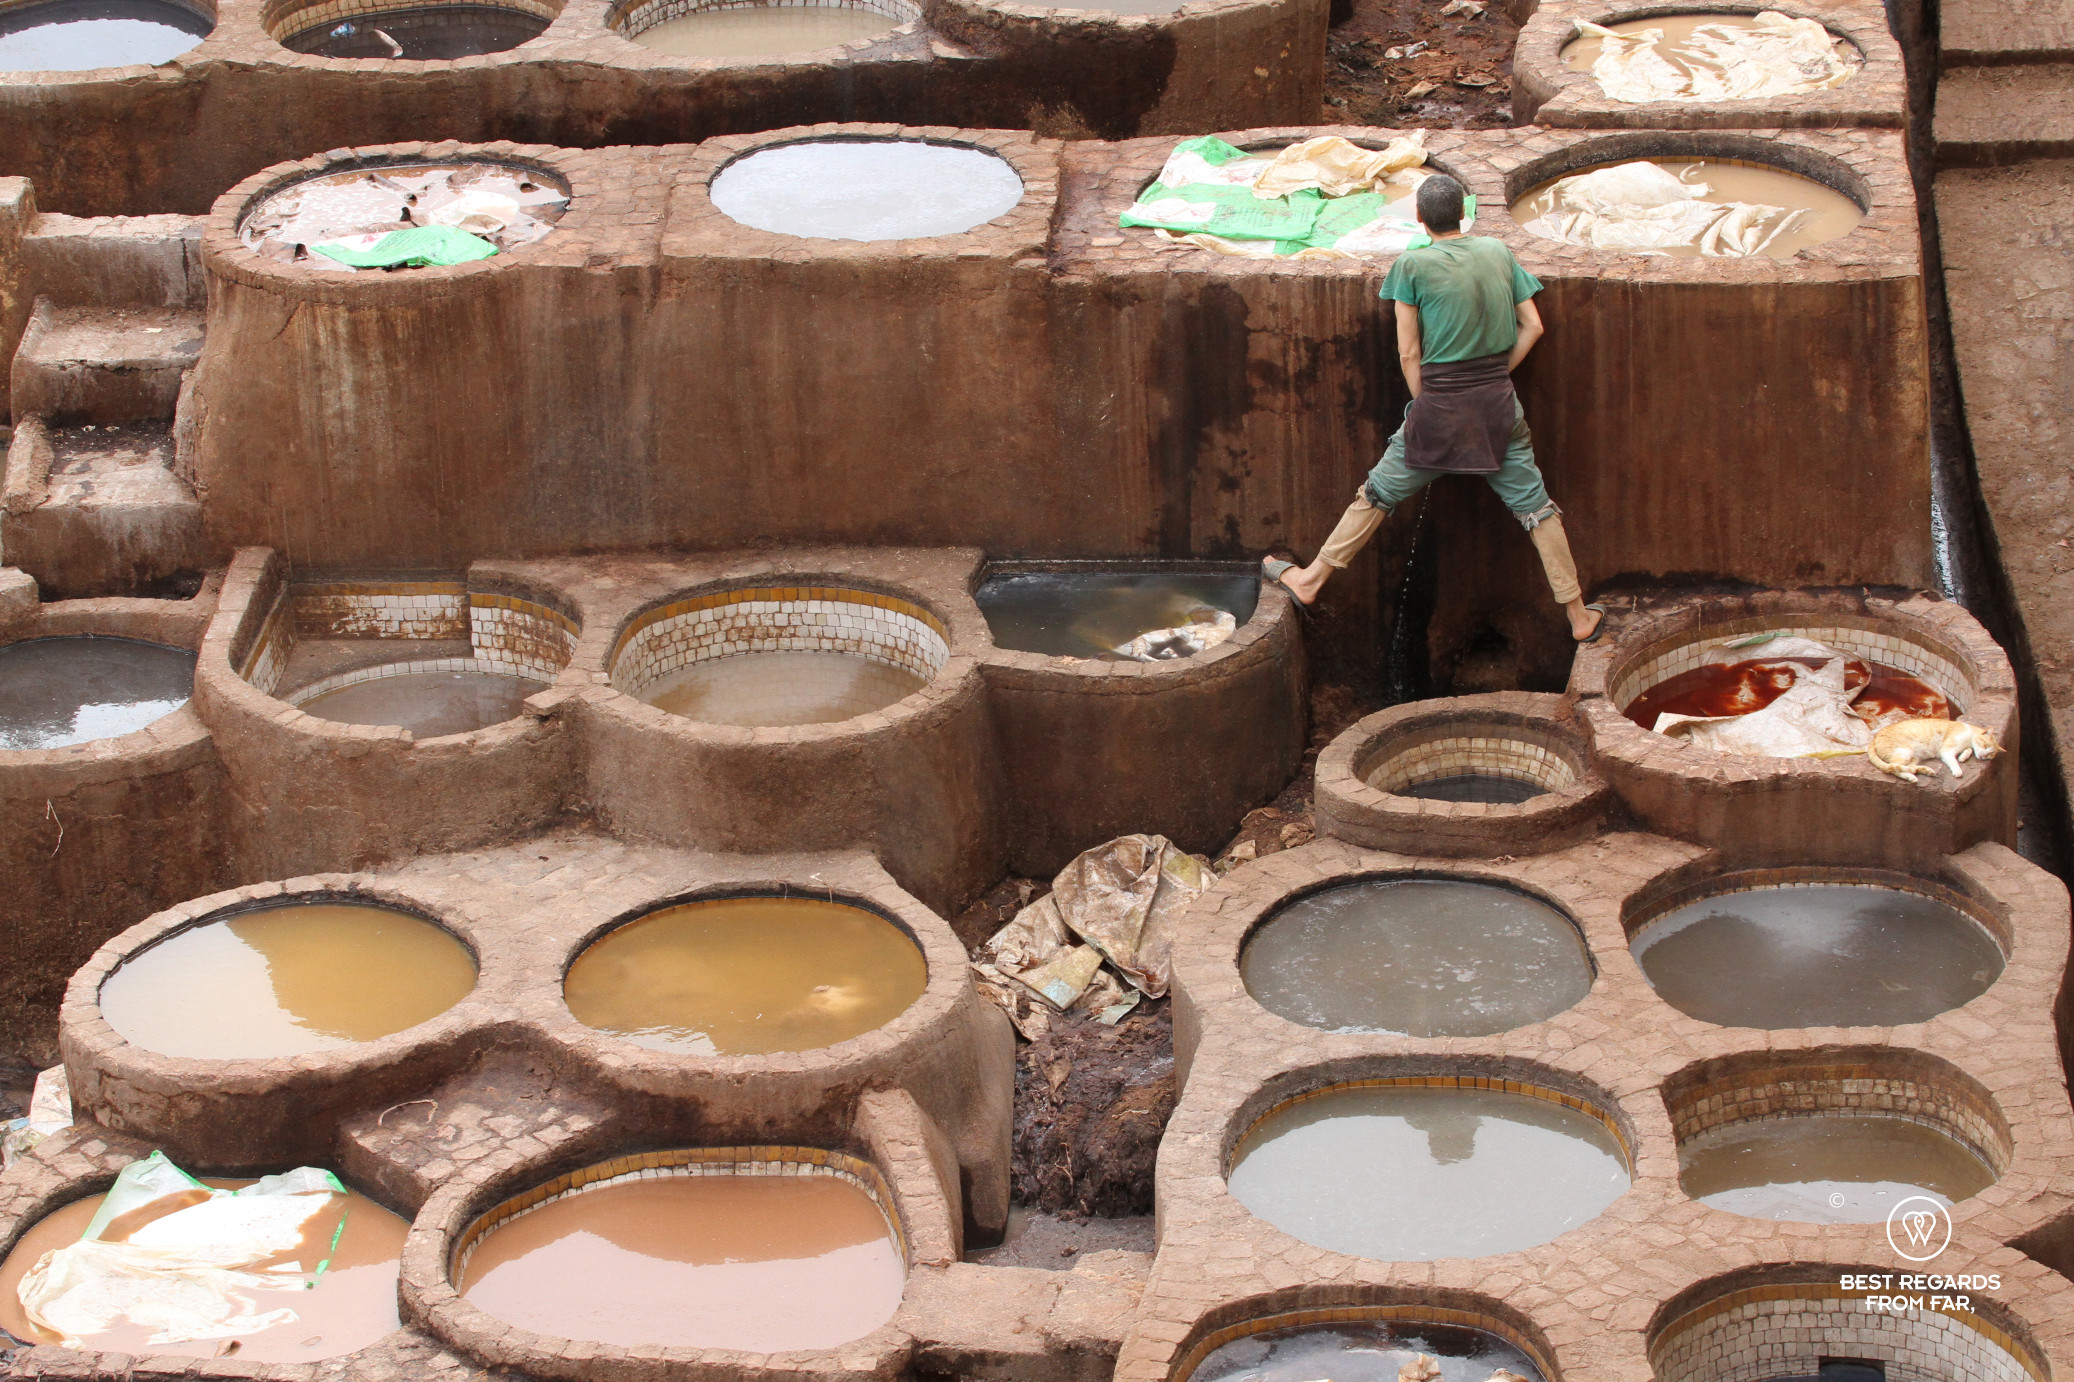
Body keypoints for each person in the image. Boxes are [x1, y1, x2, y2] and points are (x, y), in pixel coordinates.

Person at [1262, 174, 1606, 644]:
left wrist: (1429, 399)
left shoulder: (1411, 265)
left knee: (1377, 495)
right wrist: (1496, 373)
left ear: (1420, 219)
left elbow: (1408, 351)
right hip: (1498, 406)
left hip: (1439, 405)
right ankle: (1579, 615)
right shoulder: (1498, 252)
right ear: (1463, 215)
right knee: (1537, 510)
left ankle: (1311, 578)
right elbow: (1534, 326)